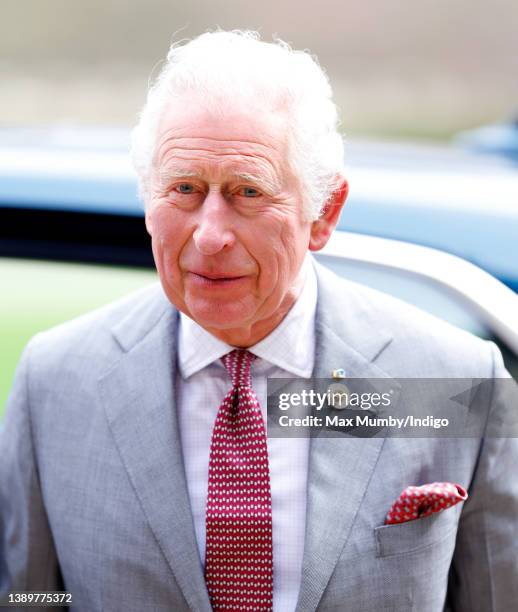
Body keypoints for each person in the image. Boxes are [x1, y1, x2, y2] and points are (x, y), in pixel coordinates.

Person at [1, 30, 517, 612]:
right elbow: (30, 597)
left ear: (324, 214)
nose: (211, 235)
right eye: (184, 190)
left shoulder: (456, 379)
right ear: (147, 201)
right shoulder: (55, 381)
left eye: (248, 192)